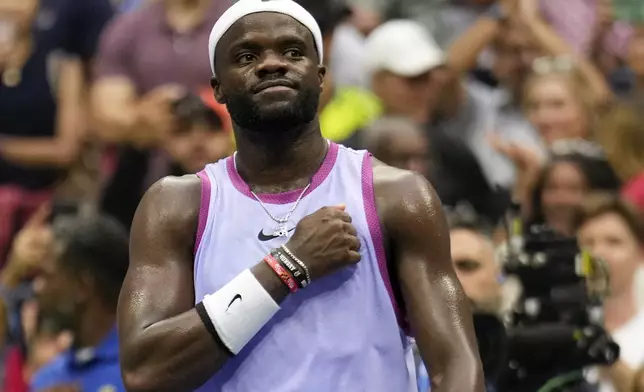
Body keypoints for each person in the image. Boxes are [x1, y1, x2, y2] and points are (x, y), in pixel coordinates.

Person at [117, 1, 484, 391]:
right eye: (246, 55)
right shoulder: (176, 206)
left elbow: (456, 368)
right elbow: (145, 372)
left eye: (293, 52)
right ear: (217, 87)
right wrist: (287, 267)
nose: (272, 64)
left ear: (321, 76)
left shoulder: (398, 196)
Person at [30, 214, 129, 392]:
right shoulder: (46, 381)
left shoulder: (147, 371)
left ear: (83, 287)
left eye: (47, 276)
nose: (37, 287)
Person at [575, 193, 644, 392]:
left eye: (614, 242)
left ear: (640, 252)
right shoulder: (555, 332)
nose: (599, 254)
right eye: (588, 243)